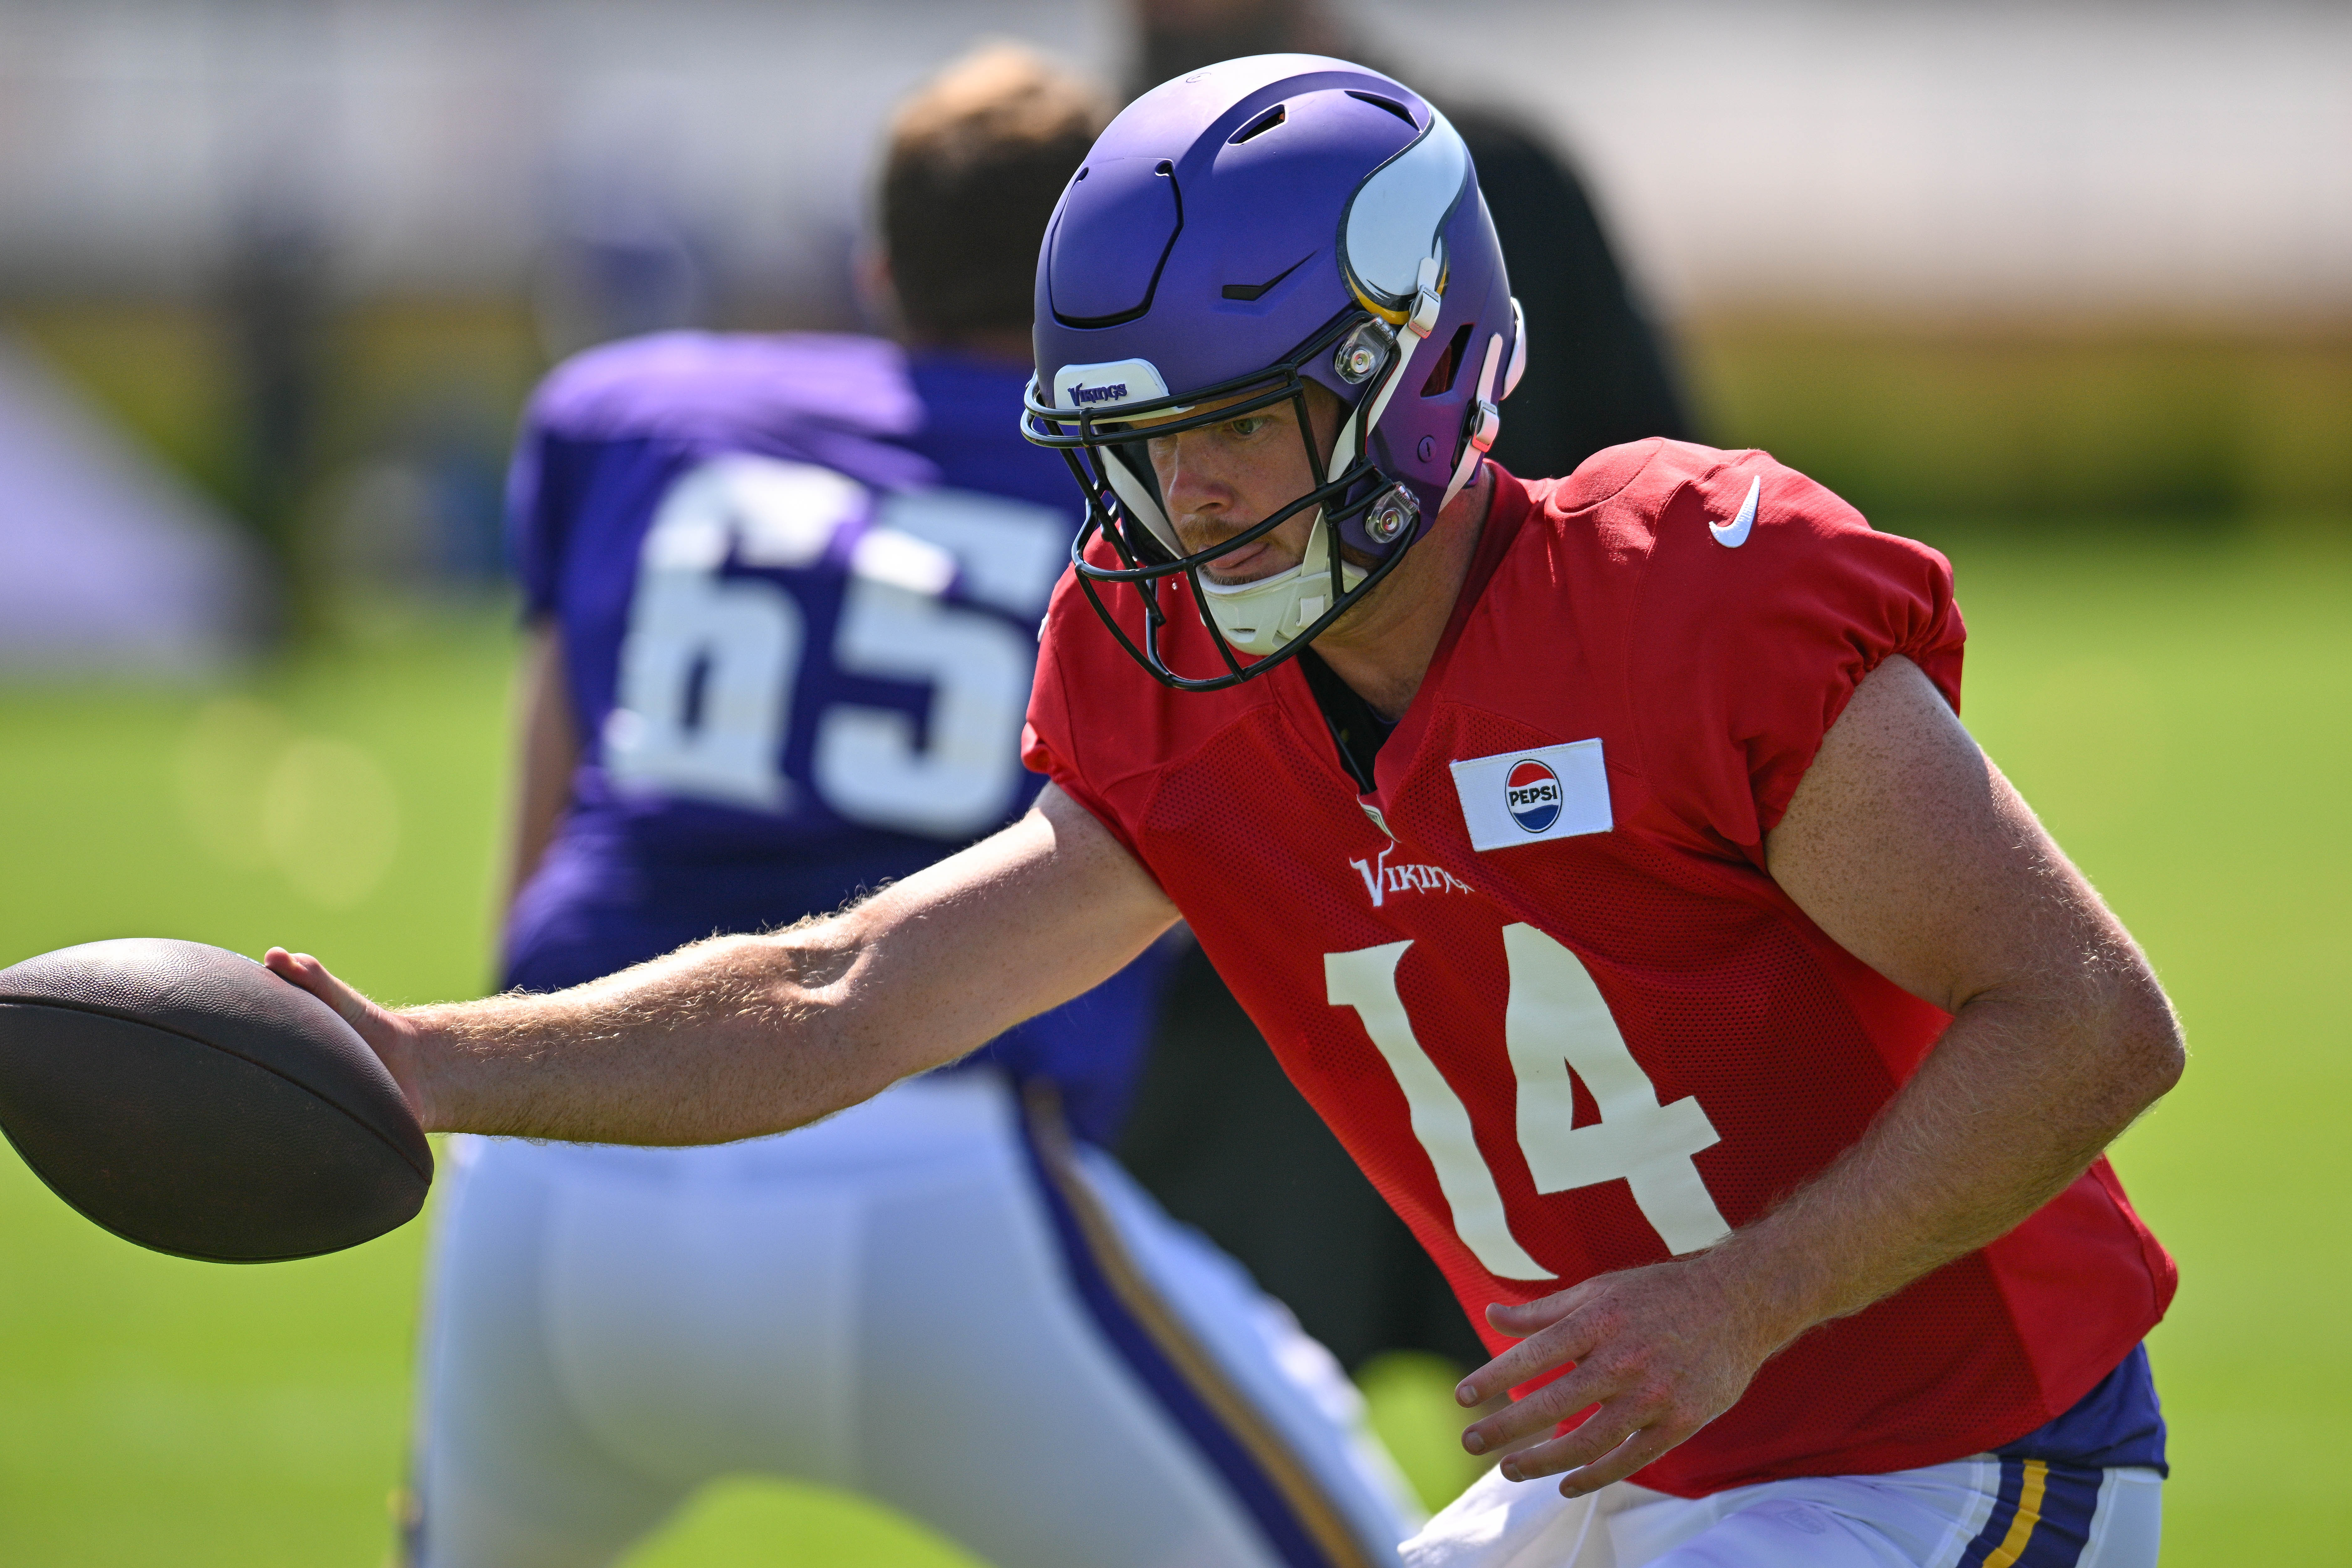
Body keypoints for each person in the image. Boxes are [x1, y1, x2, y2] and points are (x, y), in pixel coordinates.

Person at [276, 55, 2183, 1567]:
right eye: (1133, 440)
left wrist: (1739, 1299)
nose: (1180, 500)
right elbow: (849, 989)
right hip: (1637, 1472)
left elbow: (2089, 1018)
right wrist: (427, 1063)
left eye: (1230, 424)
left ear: (1419, 368)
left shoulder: (1691, 600)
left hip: (1952, 1451)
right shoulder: (1165, 676)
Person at [395, 46, 1417, 1568]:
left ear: (878, 265)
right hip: (943, 1174)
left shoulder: (628, 412)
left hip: (558, 1154)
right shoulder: (1161, 475)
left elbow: (543, 820)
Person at [1115, 0, 1694, 1382]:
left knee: (1627, 1448)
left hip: (1547, 913)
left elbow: (1657, 524)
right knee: (1232, 1453)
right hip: (1249, 943)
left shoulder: (1493, 176)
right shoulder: (1108, 206)